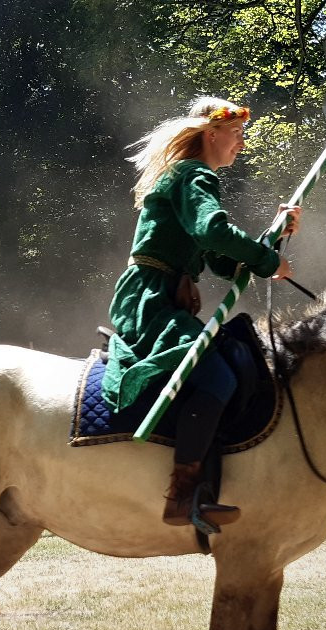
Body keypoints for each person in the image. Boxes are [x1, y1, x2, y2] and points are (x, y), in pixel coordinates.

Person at [101, 97, 302, 527]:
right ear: (212, 133)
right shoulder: (193, 174)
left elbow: (220, 261)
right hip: (151, 297)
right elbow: (212, 230)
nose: (241, 145)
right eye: (236, 134)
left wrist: (273, 238)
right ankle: (183, 493)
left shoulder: (187, 177)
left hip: (159, 292)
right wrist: (268, 262)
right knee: (216, 376)